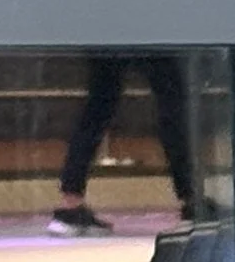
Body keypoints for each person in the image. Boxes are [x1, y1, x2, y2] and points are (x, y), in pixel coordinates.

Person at [52, 52, 212, 235]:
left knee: (100, 101)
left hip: (106, 34)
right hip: (144, 32)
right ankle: (190, 198)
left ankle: (71, 201)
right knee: (171, 97)